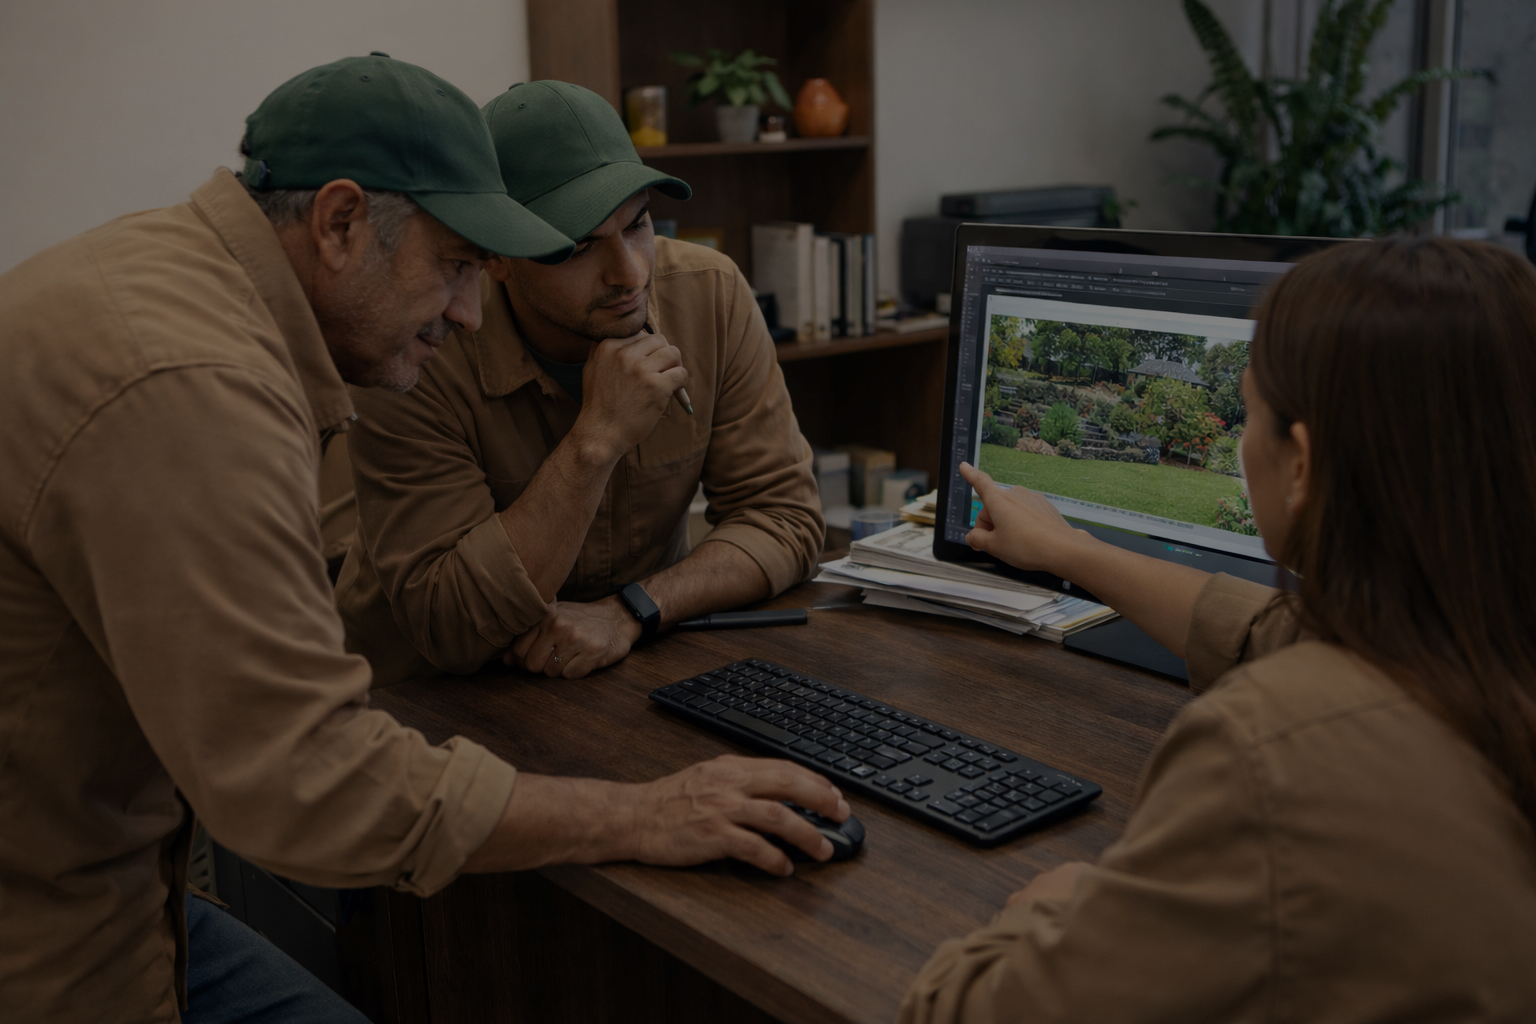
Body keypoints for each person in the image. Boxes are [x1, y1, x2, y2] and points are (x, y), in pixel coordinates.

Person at [0, 56, 848, 1024]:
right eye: (453, 265)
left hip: (119, 876)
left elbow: (787, 511)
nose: (468, 309)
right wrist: (645, 812)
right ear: (340, 222)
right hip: (50, 930)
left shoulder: (167, 279)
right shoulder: (189, 382)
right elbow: (309, 783)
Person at [900, 238, 1536, 1022]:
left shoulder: (1265, 748)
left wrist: (1059, 904)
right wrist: (1071, 550)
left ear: (1300, 465)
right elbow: (1266, 630)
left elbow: (959, 1013)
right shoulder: (1479, 643)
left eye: (1250, 410)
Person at [334, 81, 824, 684]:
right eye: (577, 246)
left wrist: (630, 612)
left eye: (639, 223)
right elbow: (450, 623)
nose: (630, 272)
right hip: (426, 700)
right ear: (498, 258)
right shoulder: (418, 346)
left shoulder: (711, 293)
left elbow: (785, 518)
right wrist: (594, 443)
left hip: (624, 674)